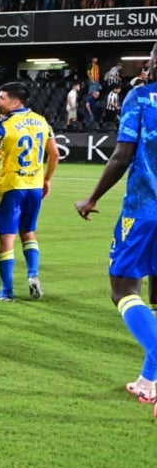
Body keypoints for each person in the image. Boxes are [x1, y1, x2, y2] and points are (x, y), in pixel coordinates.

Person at [76, 41, 157, 414]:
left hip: (145, 208)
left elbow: (123, 154)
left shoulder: (141, 97)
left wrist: (92, 198)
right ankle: (148, 381)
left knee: (123, 288)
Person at [0, 81, 59, 301]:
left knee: (6, 239)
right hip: (35, 186)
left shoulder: (3, 126)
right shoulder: (41, 121)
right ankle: (33, 274)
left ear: (15, 101)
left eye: (1, 97)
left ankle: (7, 291)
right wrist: (47, 179)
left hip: (11, 187)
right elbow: (55, 154)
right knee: (28, 232)